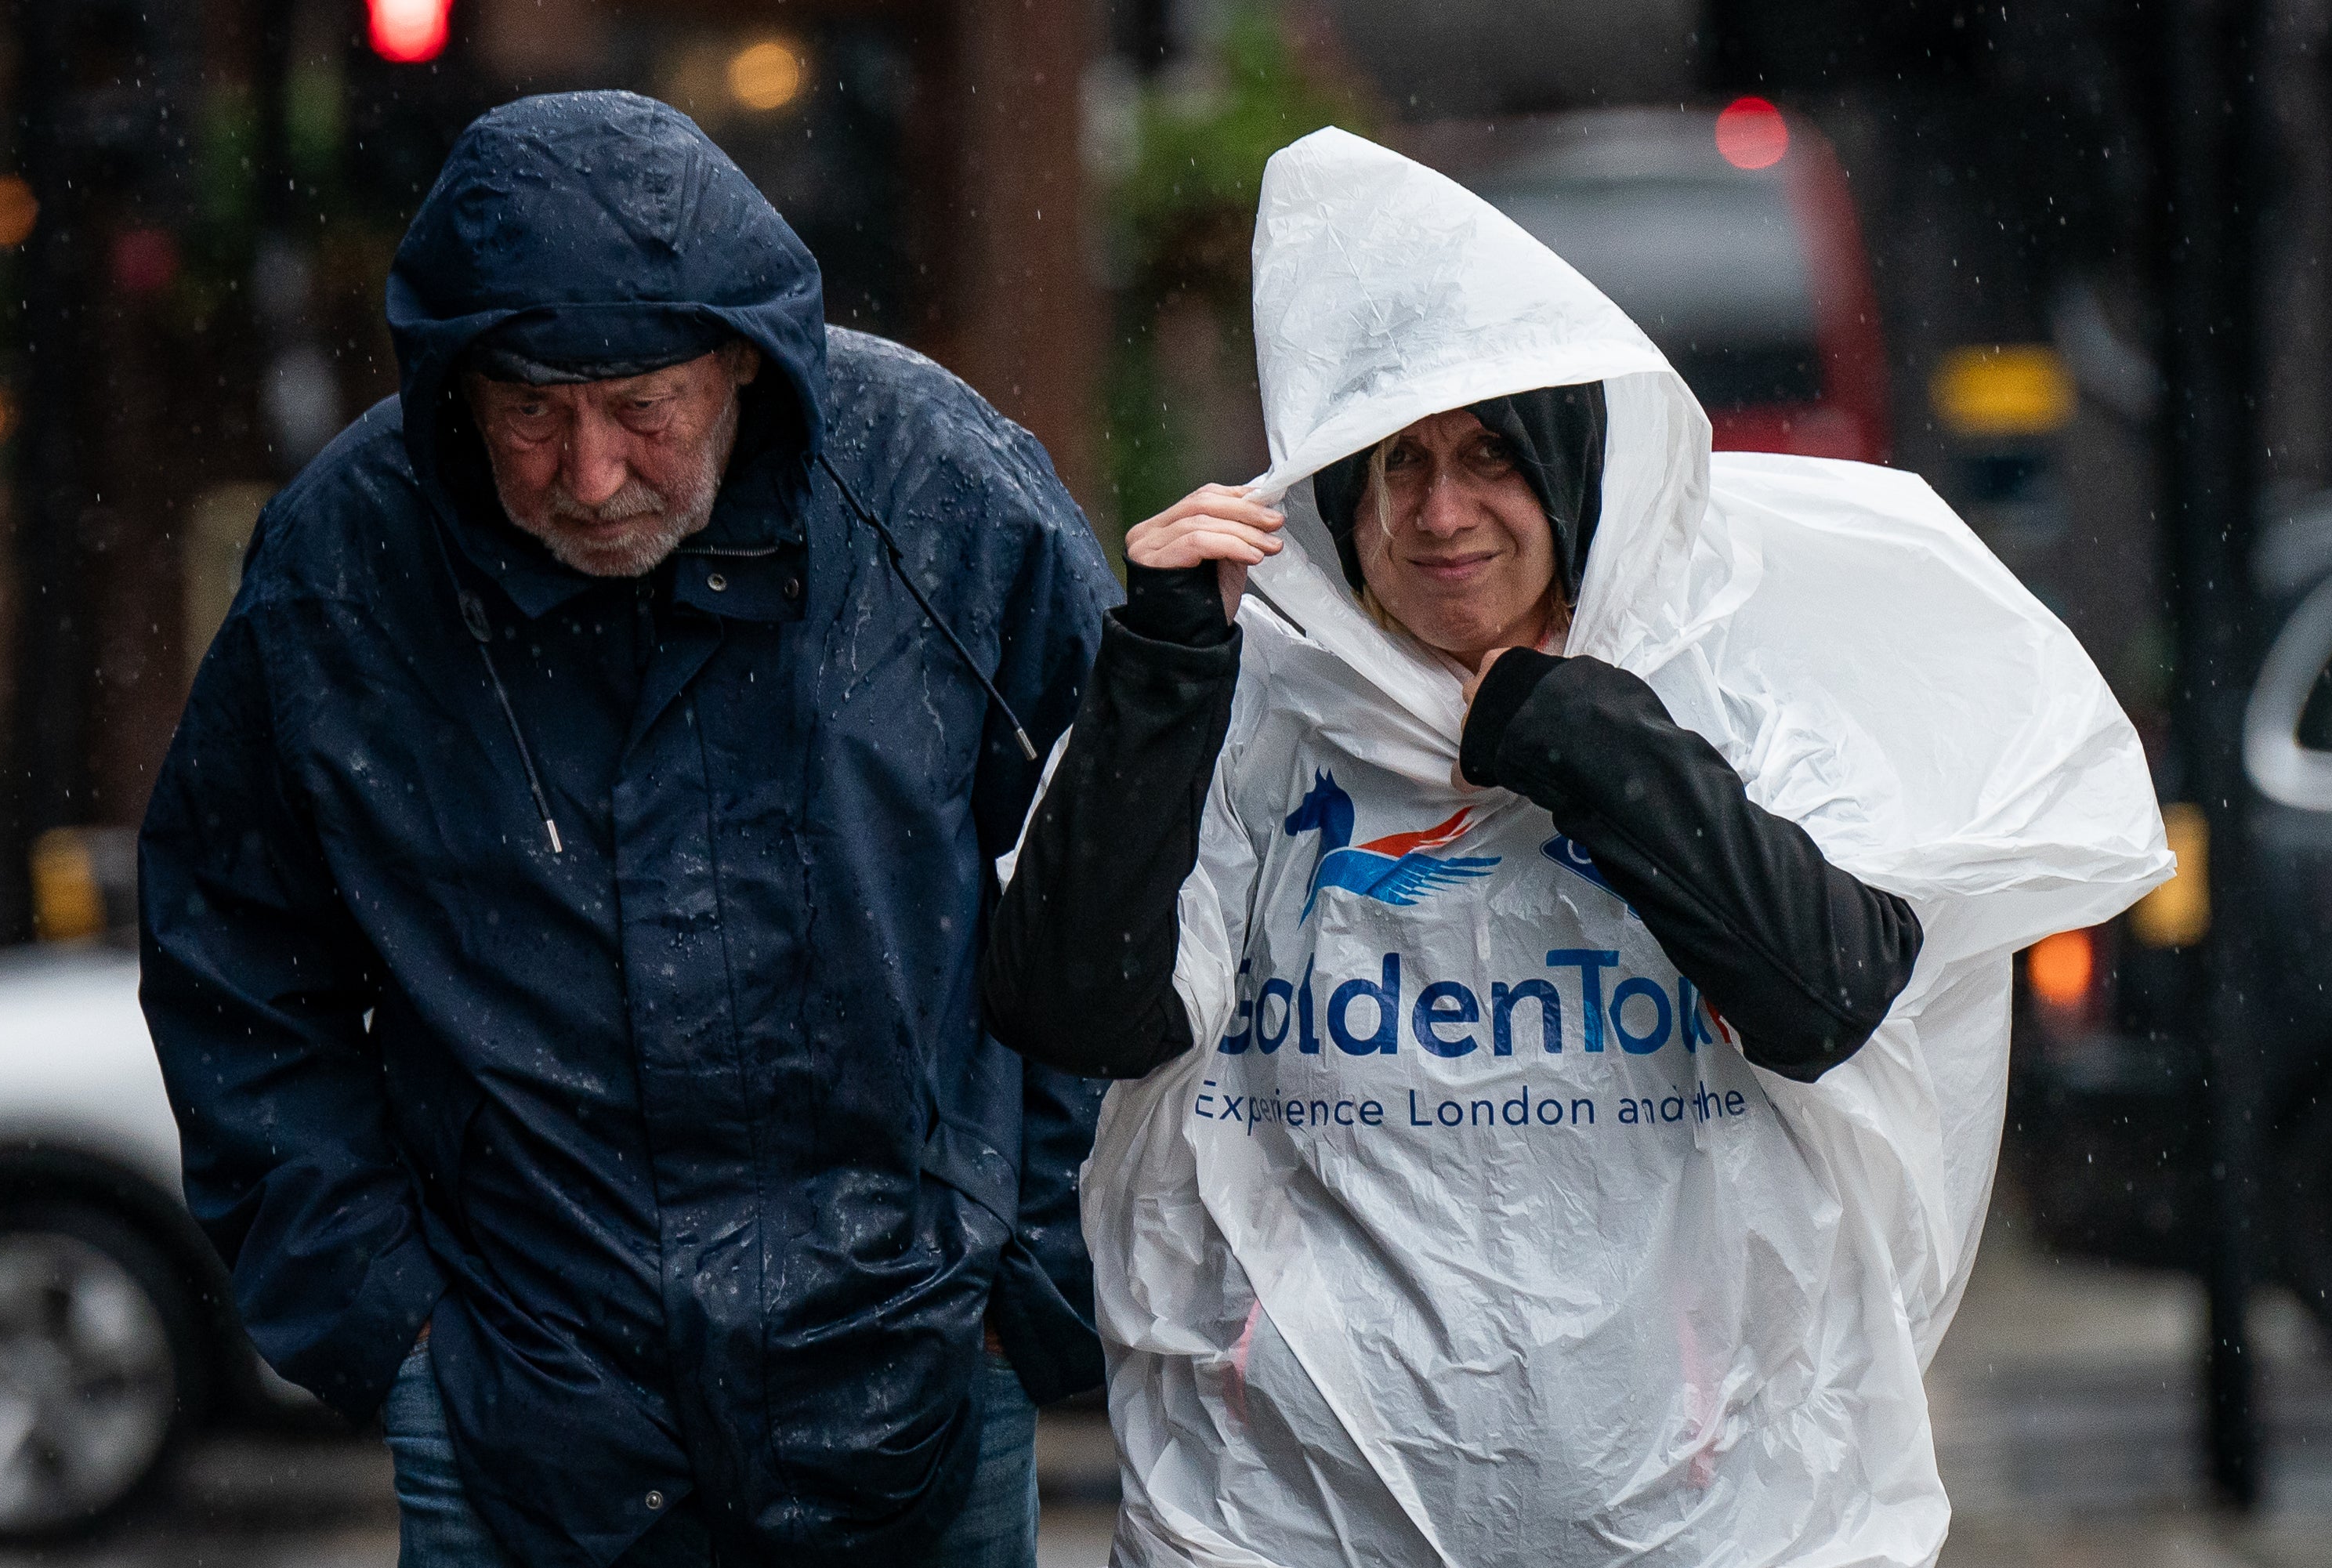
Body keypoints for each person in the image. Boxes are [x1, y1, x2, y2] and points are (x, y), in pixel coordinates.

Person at [982, 129, 2167, 1566]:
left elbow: (1830, 991)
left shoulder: (1725, 693)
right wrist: (1160, 677)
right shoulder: (1251, 709)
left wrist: (1579, 738)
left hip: (1692, 1522)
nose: (1439, 511)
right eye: (1398, 465)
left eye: (1491, 456)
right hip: (1295, 1521)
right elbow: (1074, 1002)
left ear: (1572, 475)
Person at [139, 92, 1115, 1568]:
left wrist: (1027, 1259)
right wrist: (393, 1326)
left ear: (739, 362)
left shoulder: (937, 490)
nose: (588, 475)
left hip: (912, 1384)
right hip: (518, 1415)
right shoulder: (347, 562)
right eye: (532, 411)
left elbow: (1124, 878)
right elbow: (233, 956)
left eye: (641, 410)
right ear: (458, 391)